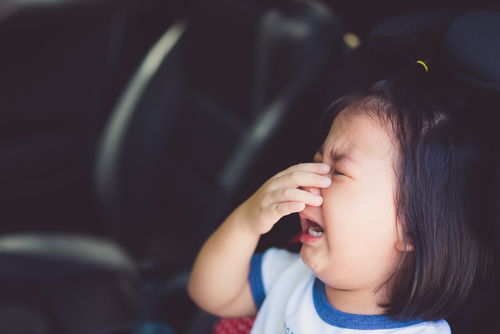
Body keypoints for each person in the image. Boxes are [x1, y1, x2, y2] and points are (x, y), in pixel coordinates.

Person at [187, 63, 497, 333]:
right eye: (316, 161)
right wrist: (246, 221)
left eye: (338, 172)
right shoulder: (293, 277)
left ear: (411, 228)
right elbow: (211, 294)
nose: (308, 179)